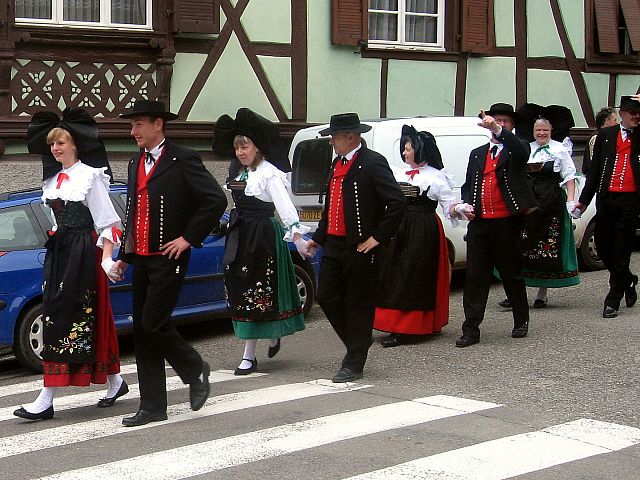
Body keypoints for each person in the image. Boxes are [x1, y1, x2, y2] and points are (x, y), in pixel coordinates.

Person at [114, 100, 227, 427]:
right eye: (132, 124)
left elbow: (215, 200)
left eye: (138, 124)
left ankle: (194, 368)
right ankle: (152, 406)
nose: (132, 130)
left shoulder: (183, 158)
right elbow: (133, 212)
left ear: (158, 124)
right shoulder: (136, 163)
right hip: (142, 258)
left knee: (153, 322)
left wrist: (188, 238)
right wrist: (124, 256)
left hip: (170, 257)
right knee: (143, 331)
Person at [14, 108, 127, 421]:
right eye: (52, 143)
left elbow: (110, 223)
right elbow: (55, 221)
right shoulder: (52, 181)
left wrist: (106, 258)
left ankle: (46, 397)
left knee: (68, 318)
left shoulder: (90, 177)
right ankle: (116, 381)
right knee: (69, 316)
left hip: (84, 254)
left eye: (61, 142)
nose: (56, 148)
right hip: (61, 252)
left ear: (76, 145)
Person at [305, 113, 405, 382]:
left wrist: (378, 237)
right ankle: (358, 340)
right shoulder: (337, 163)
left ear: (351, 136)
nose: (331, 142)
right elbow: (332, 206)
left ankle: (354, 361)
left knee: (359, 304)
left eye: (335, 137)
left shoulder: (372, 162)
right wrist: (319, 236)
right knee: (326, 295)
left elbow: (396, 202)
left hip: (360, 246)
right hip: (334, 245)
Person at [212, 108, 308, 375]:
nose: (241, 152)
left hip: (262, 236)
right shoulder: (236, 170)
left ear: (257, 148)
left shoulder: (268, 173)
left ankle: (249, 356)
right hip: (240, 234)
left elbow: (284, 206)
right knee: (240, 290)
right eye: (237, 148)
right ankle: (266, 335)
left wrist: (298, 237)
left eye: (245, 147)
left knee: (258, 291)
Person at [453, 103, 537, 348]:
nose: (497, 123)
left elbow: (522, 152)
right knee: (475, 277)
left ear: (511, 126)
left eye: (505, 121)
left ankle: (521, 319)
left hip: (506, 223)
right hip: (480, 224)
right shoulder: (477, 153)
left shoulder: (516, 150)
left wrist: (500, 130)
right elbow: (469, 184)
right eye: (495, 119)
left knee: (511, 274)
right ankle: (470, 329)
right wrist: (467, 205)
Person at [373, 125, 457, 347]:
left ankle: (411, 328)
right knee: (393, 273)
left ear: (419, 150)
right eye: (404, 149)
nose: (404, 153)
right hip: (399, 226)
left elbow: (450, 206)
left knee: (414, 274)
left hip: (422, 227)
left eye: (408, 149)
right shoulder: (399, 173)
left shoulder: (436, 177)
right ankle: (393, 324)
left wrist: (461, 210)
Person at [499, 117, 580, 308]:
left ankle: (542, 293)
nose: (541, 133)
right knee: (520, 246)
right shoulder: (526, 148)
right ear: (533, 132)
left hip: (550, 203)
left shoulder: (560, 149)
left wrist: (571, 201)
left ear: (551, 131)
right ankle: (514, 293)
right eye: (538, 130)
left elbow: (569, 176)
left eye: (545, 130)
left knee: (546, 248)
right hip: (527, 202)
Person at [575, 95, 640, 319]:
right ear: (622, 114)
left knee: (621, 248)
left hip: (631, 201)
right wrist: (583, 201)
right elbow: (593, 172)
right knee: (603, 247)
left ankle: (613, 297)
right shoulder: (606, 135)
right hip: (607, 198)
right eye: (633, 113)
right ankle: (628, 280)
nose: (637, 117)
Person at [582, 107, 619, 175]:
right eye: (615, 120)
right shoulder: (596, 137)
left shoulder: (607, 136)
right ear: (607, 121)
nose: (617, 123)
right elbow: (595, 161)